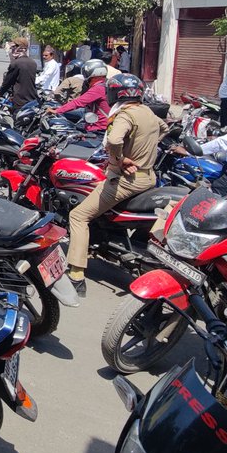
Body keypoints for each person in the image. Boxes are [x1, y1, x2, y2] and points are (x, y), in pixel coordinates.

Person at [66, 75, 166, 296]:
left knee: (78, 216)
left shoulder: (125, 115)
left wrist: (120, 159)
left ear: (116, 94)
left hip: (126, 180)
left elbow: (113, 140)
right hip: (148, 177)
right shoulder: (148, 112)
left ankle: (75, 275)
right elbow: (164, 128)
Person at [54, 59, 111, 132]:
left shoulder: (98, 88)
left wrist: (57, 111)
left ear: (94, 74)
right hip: (98, 123)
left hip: (98, 127)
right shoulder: (104, 85)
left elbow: (78, 102)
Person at [0, 38, 42, 109]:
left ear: (19, 48)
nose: (11, 50)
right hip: (32, 99)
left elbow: (7, 82)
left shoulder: (16, 63)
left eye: (13, 47)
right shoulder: (33, 63)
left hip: (20, 101)